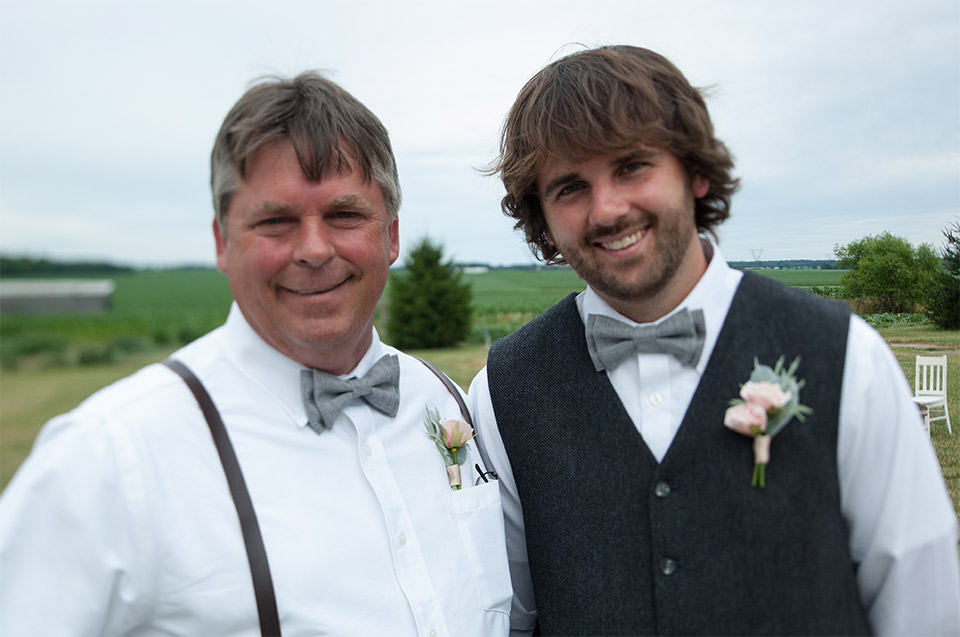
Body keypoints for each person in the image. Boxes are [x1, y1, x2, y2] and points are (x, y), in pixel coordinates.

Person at [469, 45, 960, 636]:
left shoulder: (847, 356)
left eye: (632, 167)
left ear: (695, 172)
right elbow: (507, 617)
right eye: (570, 187)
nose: (607, 209)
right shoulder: (503, 392)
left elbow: (924, 610)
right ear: (541, 217)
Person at [0, 72, 511, 636]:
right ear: (222, 241)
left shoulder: (443, 399)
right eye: (276, 221)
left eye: (344, 215)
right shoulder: (111, 455)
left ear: (390, 236)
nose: (315, 250)